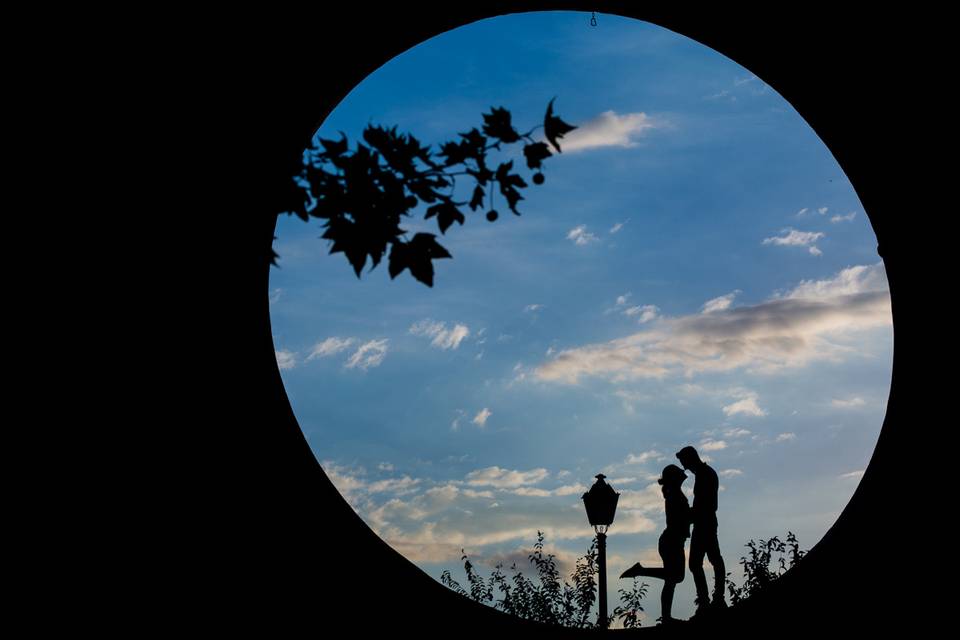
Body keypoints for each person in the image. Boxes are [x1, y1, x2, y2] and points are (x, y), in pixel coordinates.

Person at [619, 464, 691, 625]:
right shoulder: (675, 495)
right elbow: (681, 518)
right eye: (679, 473)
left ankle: (666, 617)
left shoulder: (674, 493)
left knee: (672, 579)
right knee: (676, 576)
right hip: (672, 541)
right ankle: (641, 570)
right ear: (674, 478)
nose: (682, 473)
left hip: (672, 540)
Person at [676, 445, 727, 616]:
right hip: (703, 522)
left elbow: (709, 504)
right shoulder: (704, 474)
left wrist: (690, 514)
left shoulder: (705, 474)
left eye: (683, 460)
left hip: (704, 522)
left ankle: (711, 599)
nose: (683, 465)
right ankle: (711, 599)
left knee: (703, 561)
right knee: (708, 560)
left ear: (690, 458)